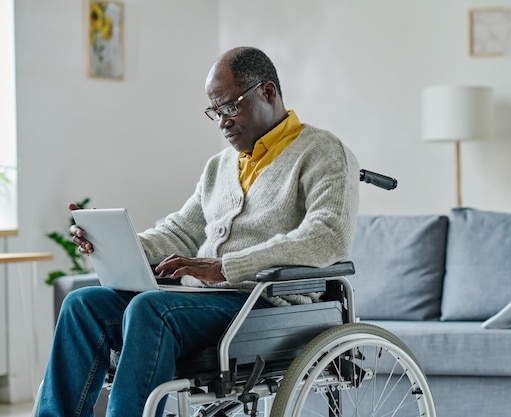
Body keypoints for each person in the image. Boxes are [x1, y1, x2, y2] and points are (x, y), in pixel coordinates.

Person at [36, 46, 360, 417]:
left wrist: (225, 266)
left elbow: (328, 235)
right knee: (82, 304)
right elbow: (180, 231)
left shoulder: (323, 151)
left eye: (229, 107)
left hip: (263, 304)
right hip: (204, 303)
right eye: (215, 111)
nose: (222, 121)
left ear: (268, 92)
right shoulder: (219, 167)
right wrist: (115, 244)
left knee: (149, 309)